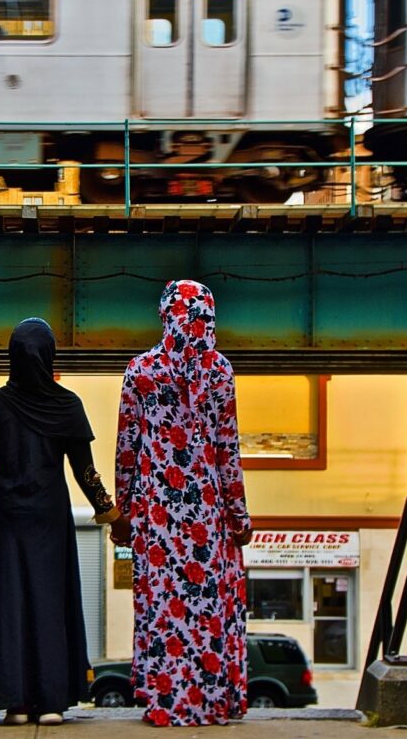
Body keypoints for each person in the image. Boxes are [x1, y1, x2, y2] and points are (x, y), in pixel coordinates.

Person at [0, 317, 121, 725]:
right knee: (49, 605)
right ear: (50, 356)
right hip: (51, 523)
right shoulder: (67, 404)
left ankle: (16, 703)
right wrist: (111, 515)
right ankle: (53, 702)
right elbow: (84, 471)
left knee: (9, 607)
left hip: (7, 522)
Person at [111, 280, 252, 727]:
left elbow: (127, 450)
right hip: (207, 517)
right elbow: (227, 450)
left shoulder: (140, 370)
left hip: (158, 515)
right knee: (206, 603)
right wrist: (239, 515)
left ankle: (164, 699)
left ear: (164, 314)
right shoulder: (220, 372)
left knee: (165, 604)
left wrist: (123, 509)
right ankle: (210, 701)